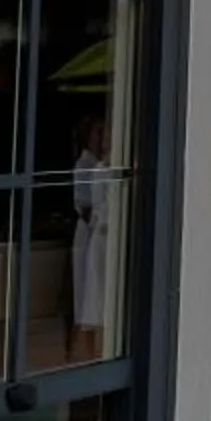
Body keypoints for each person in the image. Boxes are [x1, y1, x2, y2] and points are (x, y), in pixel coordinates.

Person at [69, 114, 114, 362]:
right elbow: (87, 206)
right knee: (88, 291)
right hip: (92, 233)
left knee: (94, 292)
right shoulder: (89, 166)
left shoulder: (100, 165)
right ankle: (86, 349)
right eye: (99, 133)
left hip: (99, 233)